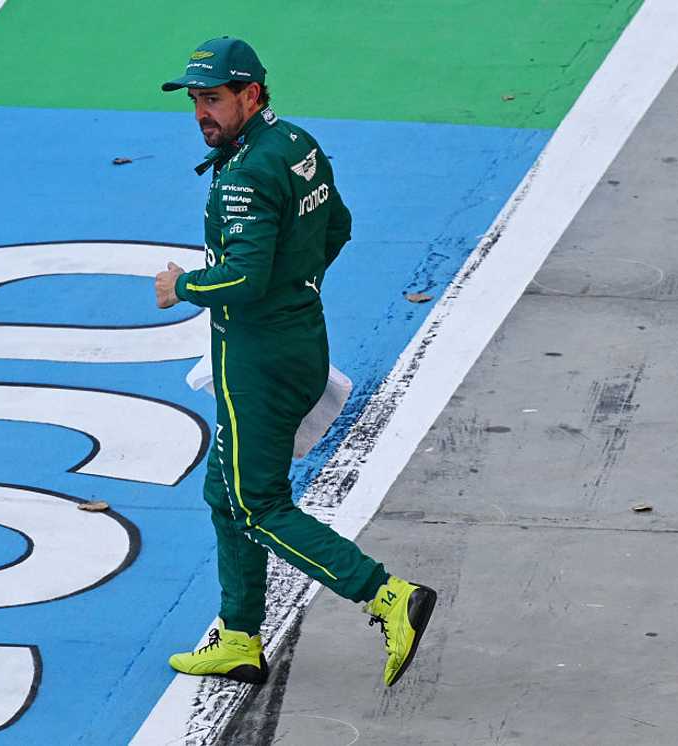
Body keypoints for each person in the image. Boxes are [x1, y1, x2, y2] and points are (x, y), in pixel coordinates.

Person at [154, 36, 436, 687]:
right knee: (224, 493)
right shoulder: (298, 146)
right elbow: (335, 228)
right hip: (301, 341)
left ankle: (388, 596)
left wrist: (185, 287)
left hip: (255, 363)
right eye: (196, 98)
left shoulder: (246, 174)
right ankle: (239, 636)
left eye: (215, 98)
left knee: (257, 504)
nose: (203, 111)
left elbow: (244, 279)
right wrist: (295, 290)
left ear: (252, 94)